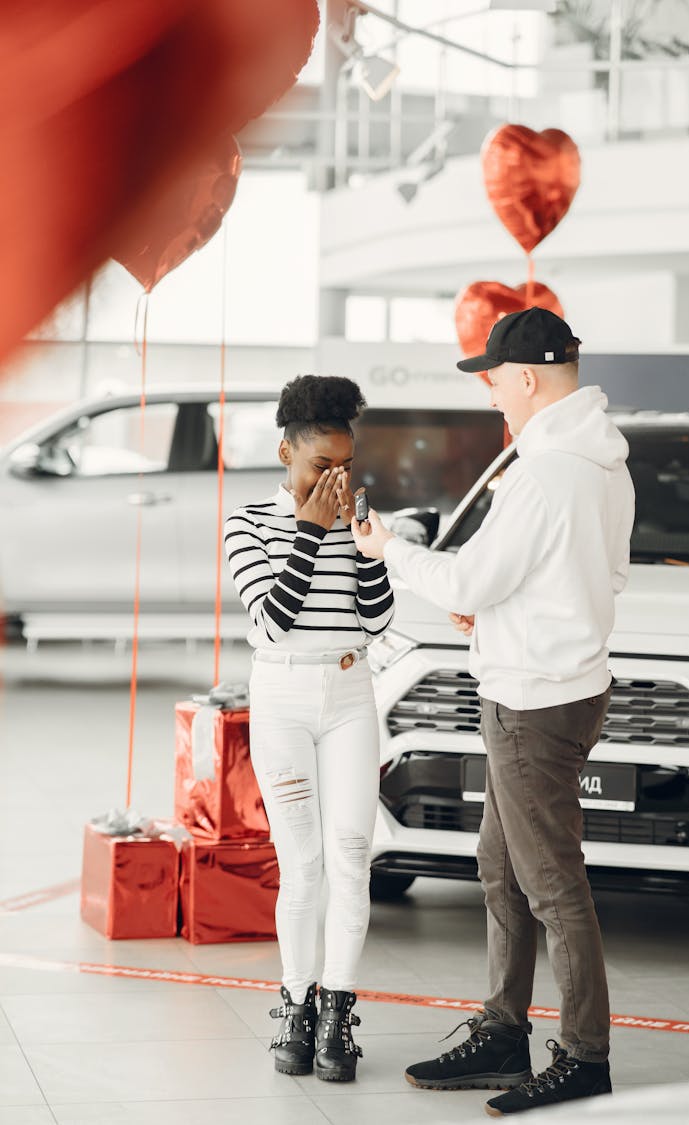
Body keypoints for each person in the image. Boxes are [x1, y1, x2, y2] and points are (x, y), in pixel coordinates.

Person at [352, 308, 635, 1116]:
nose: (491, 397)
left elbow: (471, 579)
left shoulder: (547, 472)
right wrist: (508, 614)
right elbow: (599, 579)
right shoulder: (607, 466)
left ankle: (585, 1056)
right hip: (567, 687)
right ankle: (505, 1031)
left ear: (529, 378)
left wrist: (388, 551)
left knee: (549, 885)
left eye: (494, 381)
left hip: (531, 703)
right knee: (500, 869)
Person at [224, 374, 394, 1082]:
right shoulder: (248, 522)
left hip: (351, 690)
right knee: (303, 864)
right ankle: (295, 1002)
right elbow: (270, 619)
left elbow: (380, 620)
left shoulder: (353, 515)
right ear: (286, 452)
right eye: (323, 464)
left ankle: (337, 1012)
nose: (337, 477)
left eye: (346, 464)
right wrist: (311, 532)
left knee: (353, 857)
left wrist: (365, 548)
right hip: (283, 694)